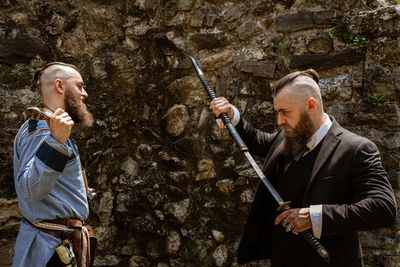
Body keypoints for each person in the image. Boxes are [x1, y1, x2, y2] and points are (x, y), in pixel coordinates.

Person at [209, 69, 397, 267]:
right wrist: (232, 116)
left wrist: (315, 217)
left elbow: (383, 207)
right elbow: (259, 141)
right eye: (277, 112)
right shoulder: (288, 136)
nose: (279, 121)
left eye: (285, 112)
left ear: (310, 105)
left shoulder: (356, 149)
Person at [13, 62, 95, 267]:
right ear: (60, 86)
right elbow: (29, 191)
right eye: (79, 86)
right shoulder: (44, 131)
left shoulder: (48, 127)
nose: (84, 93)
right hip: (49, 249)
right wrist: (55, 144)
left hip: (55, 243)